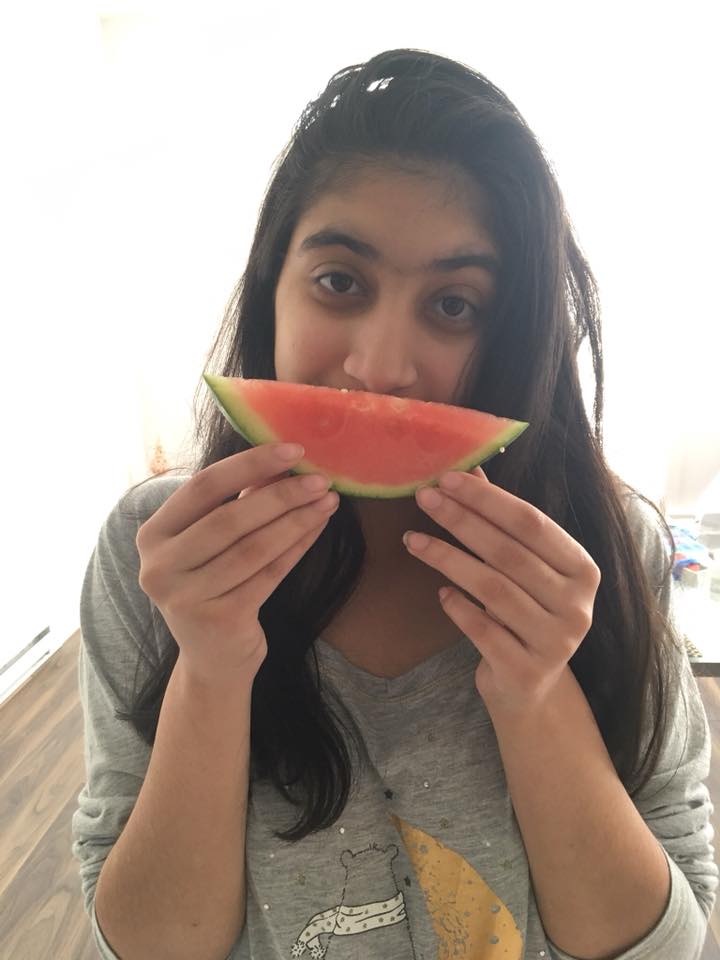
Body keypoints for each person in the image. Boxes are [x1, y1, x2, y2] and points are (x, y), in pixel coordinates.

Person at [71, 49, 717, 960]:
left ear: (517, 334)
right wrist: (210, 673)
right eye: (341, 282)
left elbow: (668, 945)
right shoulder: (154, 553)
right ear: (270, 289)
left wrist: (536, 692)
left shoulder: (615, 548)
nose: (379, 366)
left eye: (454, 304)